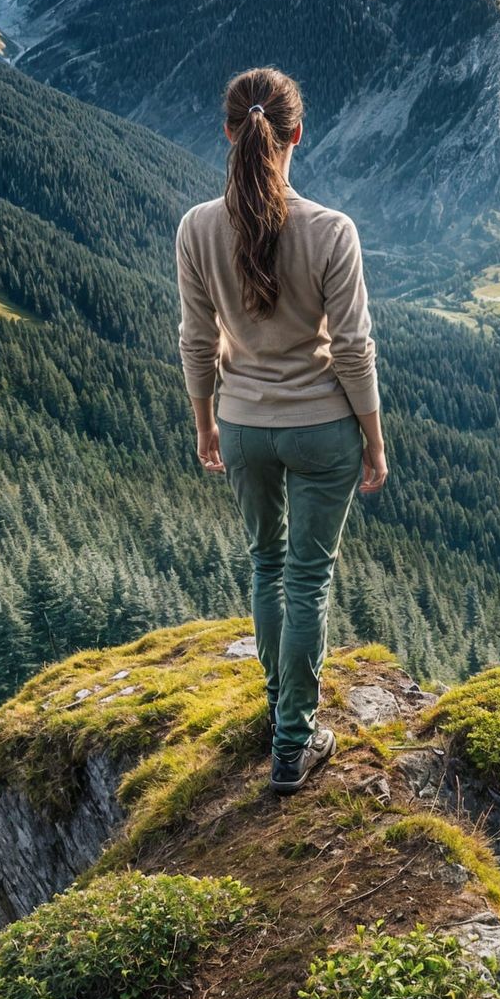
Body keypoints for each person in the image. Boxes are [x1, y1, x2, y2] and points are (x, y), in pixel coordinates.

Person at [176, 67, 387, 795]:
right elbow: (353, 348)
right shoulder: (331, 230)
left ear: (228, 133)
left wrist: (205, 421)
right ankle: (295, 744)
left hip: (242, 425)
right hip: (322, 426)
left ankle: (280, 716)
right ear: (297, 134)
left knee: (266, 565)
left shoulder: (197, 227)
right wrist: (374, 439)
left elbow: (196, 339)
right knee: (308, 577)